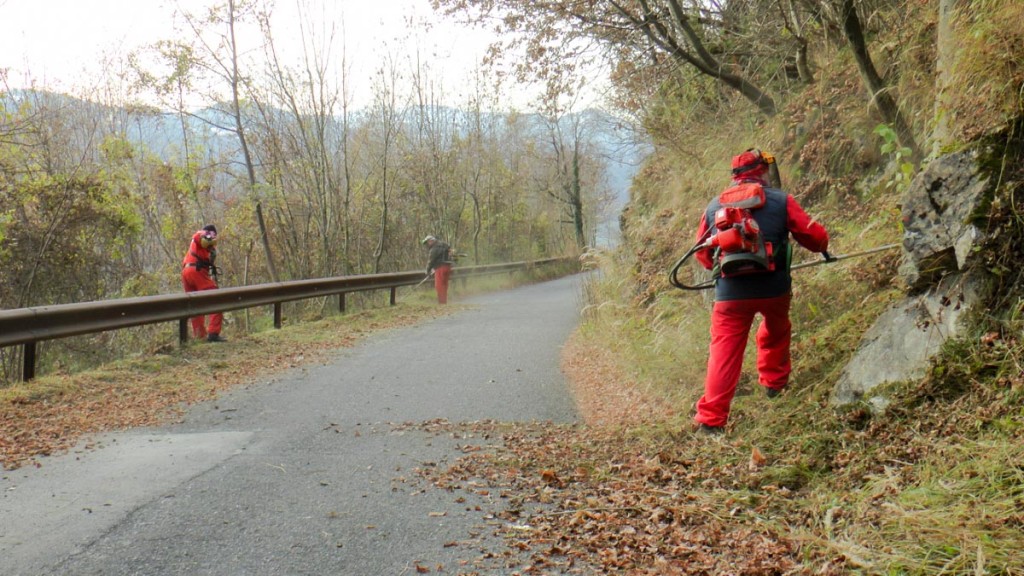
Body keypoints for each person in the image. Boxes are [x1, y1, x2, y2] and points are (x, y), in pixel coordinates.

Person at [692, 149, 830, 434]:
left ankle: (711, 421)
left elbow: (703, 255)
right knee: (776, 329)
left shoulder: (713, 206)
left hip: (730, 294)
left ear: (735, 177)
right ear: (762, 172)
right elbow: (815, 237)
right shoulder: (780, 200)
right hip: (774, 288)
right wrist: (823, 247)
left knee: (724, 351)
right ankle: (774, 385)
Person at [182, 224, 226, 342]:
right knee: (217, 298)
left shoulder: (201, 247)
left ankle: (199, 336)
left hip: (187, 272)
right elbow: (199, 237)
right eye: (213, 235)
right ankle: (213, 333)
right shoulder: (200, 236)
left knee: (196, 304)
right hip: (196, 272)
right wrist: (207, 236)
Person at [422, 235, 454, 304]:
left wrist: (427, 270)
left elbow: (431, 261)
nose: (427, 244)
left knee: (439, 286)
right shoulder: (444, 244)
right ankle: (444, 301)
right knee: (445, 285)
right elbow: (451, 252)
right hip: (448, 267)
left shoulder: (434, 249)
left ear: (431, 241)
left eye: (427, 242)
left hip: (440, 268)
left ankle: (441, 302)